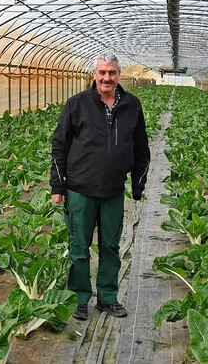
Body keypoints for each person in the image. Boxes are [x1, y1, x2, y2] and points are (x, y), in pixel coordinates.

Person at [50, 53, 150, 320]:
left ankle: (107, 297)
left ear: (119, 75)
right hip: (80, 190)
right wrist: (57, 186)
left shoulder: (131, 105)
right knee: (79, 247)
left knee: (111, 246)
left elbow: (141, 147)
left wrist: (138, 184)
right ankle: (79, 298)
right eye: (102, 72)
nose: (107, 78)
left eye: (112, 73)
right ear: (94, 74)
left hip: (113, 190)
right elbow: (60, 145)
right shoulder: (77, 104)